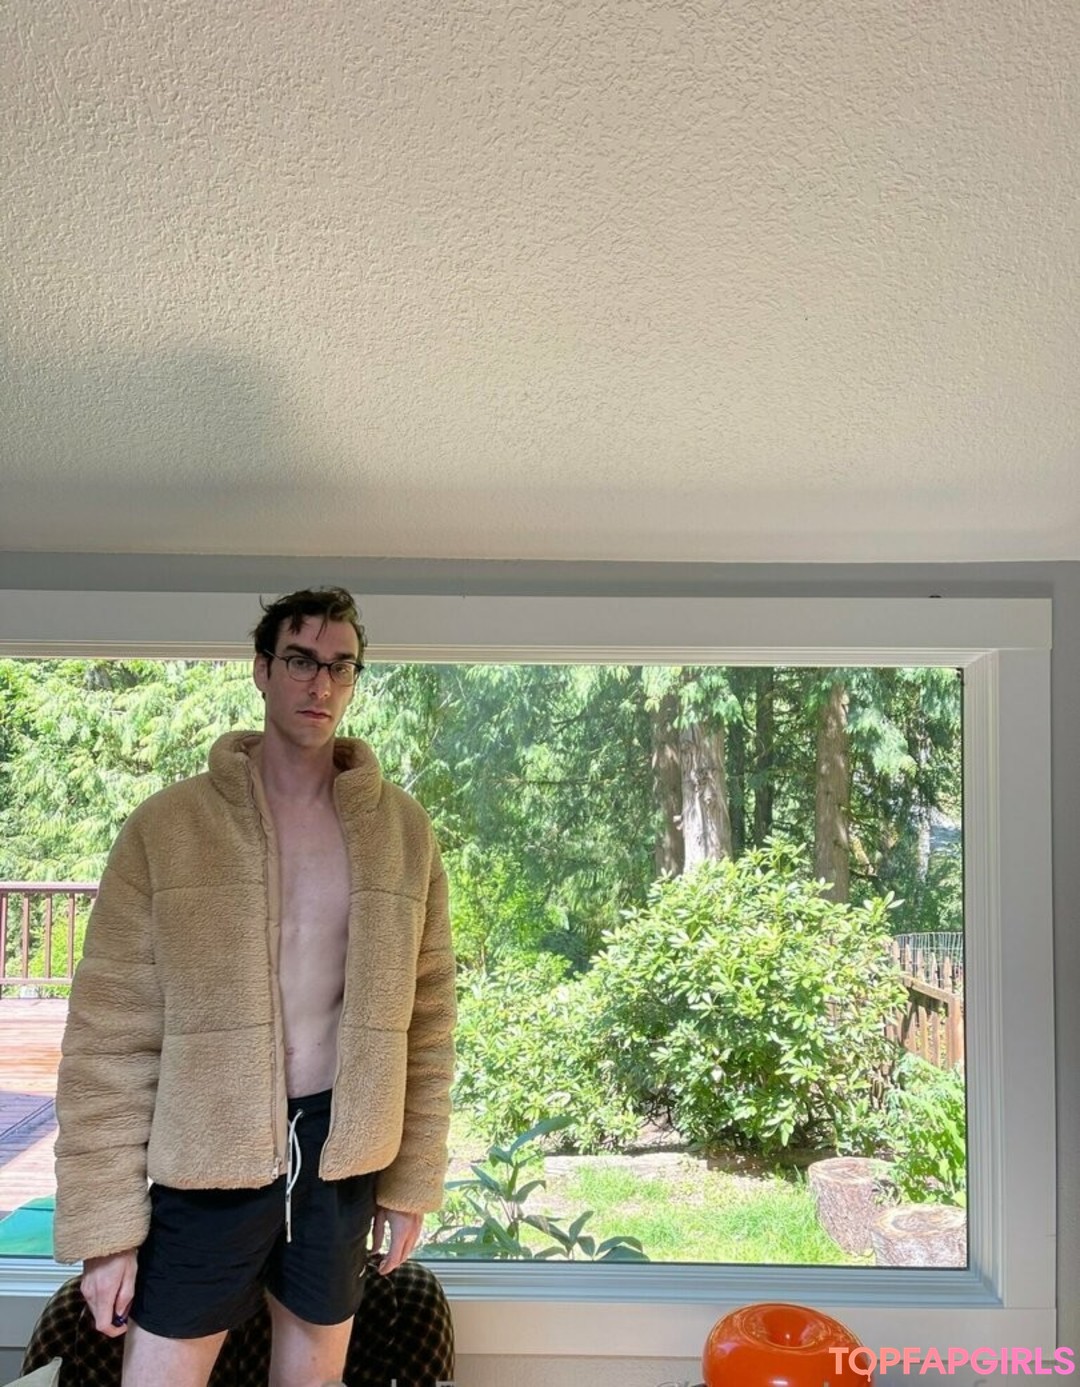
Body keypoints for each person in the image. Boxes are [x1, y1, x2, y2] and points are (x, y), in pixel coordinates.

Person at [53, 586, 457, 1387]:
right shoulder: (168, 827)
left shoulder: (402, 831)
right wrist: (105, 1231)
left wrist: (411, 1182)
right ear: (263, 669)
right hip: (207, 1154)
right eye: (301, 660)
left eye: (341, 665)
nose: (321, 684)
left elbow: (429, 1018)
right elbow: (108, 1037)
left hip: (339, 1156)